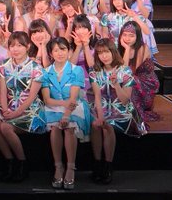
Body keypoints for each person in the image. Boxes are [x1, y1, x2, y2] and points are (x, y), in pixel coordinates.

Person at [0, 31, 46, 182]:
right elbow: (3, 91)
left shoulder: (36, 68)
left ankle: (22, 163)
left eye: (20, 45)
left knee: (5, 127)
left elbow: (32, 96)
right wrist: (4, 109)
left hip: (30, 109)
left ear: (28, 46)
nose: (16, 49)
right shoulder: (4, 66)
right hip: (9, 106)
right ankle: (9, 161)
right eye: (12, 46)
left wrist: (16, 113)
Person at [89, 39, 145, 185]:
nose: (104, 56)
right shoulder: (94, 71)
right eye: (100, 53)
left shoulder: (125, 71)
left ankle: (108, 166)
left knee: (107, 125)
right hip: (101, 106)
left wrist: (116, 84)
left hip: (121, 108)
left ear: (113, 52)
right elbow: (97, 96)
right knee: (95, 124)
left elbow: (125, 100)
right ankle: (97, 163)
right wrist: (100, 116)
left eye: (107, 52)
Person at [40, 37, 91, 190]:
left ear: (69, 51)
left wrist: (66, 115)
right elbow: (47, 100)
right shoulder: (45, 72)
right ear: (51, 54)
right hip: (54, 106)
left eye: (63, 49)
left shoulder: (76, 70)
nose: (60, 53)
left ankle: (70, 167)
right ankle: (58, 167)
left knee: (69, 128)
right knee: (55, 128)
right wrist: (63, 105)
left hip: (74, 107)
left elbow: (73, 99)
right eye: (56, 50)